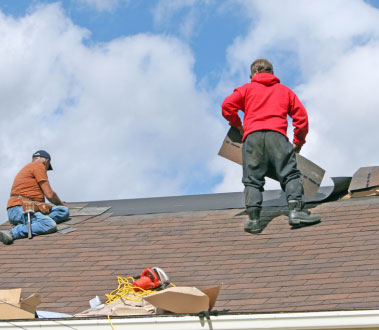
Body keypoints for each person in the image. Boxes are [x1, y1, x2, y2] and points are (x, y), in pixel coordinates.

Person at [222, 58, 321, 234]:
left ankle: (253, 220)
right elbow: (302, 118)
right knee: (290, 174)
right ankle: (296, 211)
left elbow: (227, 105)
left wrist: (238, 125)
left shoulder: (246, 89)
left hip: (252, 137)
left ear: (253, 74)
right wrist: (298, 142)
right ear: (272, 73)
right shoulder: (285, 91)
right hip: (278, 137)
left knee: (252, 180)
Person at [0, 150, 69, 245]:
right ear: (47, 161)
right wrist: (61, 203)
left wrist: (59, 206)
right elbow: (49, 194)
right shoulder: (38, 166)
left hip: (28, 207)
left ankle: (34, 224)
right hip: (20, 208)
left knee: (63, 211)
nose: (45, 170)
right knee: (49, 225)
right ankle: (13, 233)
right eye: (47, 167)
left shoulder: (30, 167)